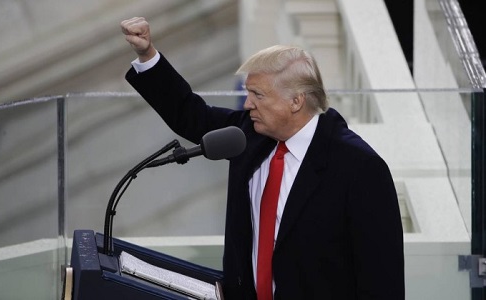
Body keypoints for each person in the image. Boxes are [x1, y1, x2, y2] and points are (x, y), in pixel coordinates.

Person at [121, 17, 405, 300]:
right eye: (248, 92)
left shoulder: (360, 168)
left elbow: (382, 280)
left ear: (296, 101)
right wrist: (147, 56)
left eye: (257, 95)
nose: (247, 104)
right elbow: (190, 114)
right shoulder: (249, 134)